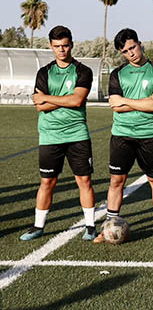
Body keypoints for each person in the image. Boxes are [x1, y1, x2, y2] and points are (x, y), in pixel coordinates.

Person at [92, 28, 153, 244]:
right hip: (122, 135)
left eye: (133, 47)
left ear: (140, 44)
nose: (131, 53)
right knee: (117, 181)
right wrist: (140, 103)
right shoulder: (118, 74)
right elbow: (115, 106)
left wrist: (126, 101)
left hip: (149, 135)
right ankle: (107, 227)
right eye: (126, 51)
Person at [21, 25, 97, 241]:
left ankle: (90, 226)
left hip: (77, 135)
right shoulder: (44, 72)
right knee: (47, 182)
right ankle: (38, 226)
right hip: (49, 135)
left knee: (84, 180)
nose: (61, 50)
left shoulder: (83, 71)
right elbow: (40, 106)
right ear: (51, 47)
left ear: (71, 44)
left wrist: (50, 98)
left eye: (65, 45)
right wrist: (65, 98)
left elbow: (77, 100)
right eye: (57, 46)